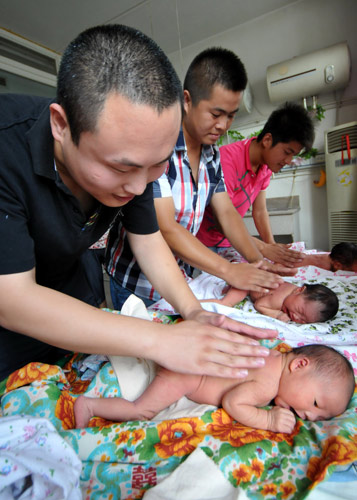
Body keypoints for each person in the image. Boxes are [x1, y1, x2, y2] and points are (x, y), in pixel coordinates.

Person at [0, 25, 279, 381]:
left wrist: (194, 312)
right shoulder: (7, 149)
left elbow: (147, 238)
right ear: (61, 125)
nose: (137, 186)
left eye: (158, 164)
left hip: (72, 287)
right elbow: (13, 299)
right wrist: (161, 340)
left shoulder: (139, 158)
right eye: (121, 167)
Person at [107, 47, 294, 311]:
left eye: (231, 115)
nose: (223, 125)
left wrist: (257, 262)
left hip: (178, 278)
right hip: (137, 282)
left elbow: (226, 212)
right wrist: (228, 271)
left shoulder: (211, 155)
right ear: (187, 100)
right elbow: (166, 227)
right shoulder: (161, 147)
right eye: (216, 114)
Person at [74, 344, 355, 434]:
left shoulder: (269, 355)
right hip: (183, 375)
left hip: (188, 356)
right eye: (315, 404)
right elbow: (234, 403)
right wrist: (267, 419)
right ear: (300, 365)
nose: (308, 416)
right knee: (141, 412)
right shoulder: (267, 386)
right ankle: (89, 405)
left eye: (319, 418)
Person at [197, 102, 315, 268]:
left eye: (293, 155)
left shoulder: (265, 167)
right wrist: (263, 248)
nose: (288, 161)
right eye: (287, 152)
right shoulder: (227, 161)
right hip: (203, 241)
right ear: (267, 140)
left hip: (229, 241)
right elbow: (223, 219)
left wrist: (272, 246)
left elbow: (259, 211)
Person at [206, 282, 339, 324]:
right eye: (300, 310)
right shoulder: (279, 300)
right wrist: (276, 314)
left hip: (249, 278)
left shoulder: (292, 292)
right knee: (225, 304)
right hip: (246, 284)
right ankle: (195, 303)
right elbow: (259, 305)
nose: (296, 317)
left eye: (304, 321)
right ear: (299, 290)